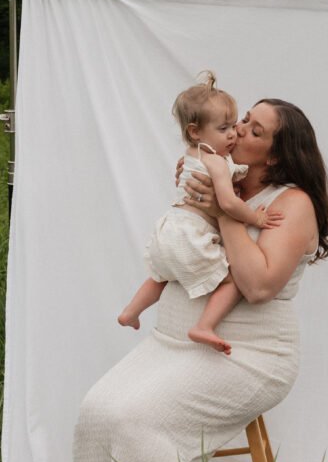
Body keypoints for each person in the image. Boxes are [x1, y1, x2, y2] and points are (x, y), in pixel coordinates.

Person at [73, 96, 328, 462]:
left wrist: (223, 212)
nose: (239, 130)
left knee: (141, 424)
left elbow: (257, 285)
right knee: (97, 411)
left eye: (255, 130)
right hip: (174, 344)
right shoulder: (227, 174)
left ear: (276, 154)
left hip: (250, 356)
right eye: (242, 121)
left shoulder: (292, 204)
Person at [117, 71, 282, 353]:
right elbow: (228, 204)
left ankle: (131, 312)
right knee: (233, 279)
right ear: (195, 131)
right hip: (192, 232)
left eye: (234, 125)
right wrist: (256, 217)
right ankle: (204, 325)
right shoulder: (216, 162)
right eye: (224, 129)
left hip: (168, 228)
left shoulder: (192, 156)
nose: (233, 134)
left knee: (161, 276)